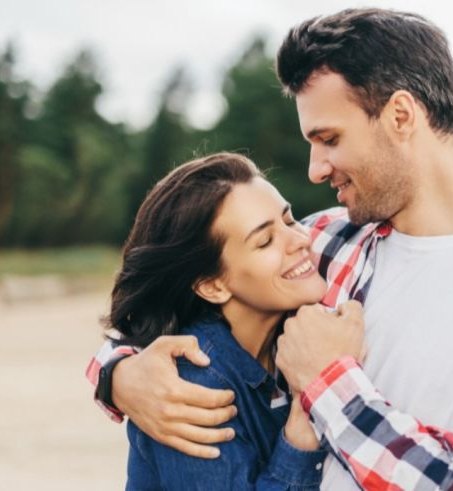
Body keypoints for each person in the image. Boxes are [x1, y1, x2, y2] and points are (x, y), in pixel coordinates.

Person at [87, 8, 453, 490]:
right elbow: (186, 299)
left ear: (400, 115)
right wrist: (120, 374)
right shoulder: (328, 241)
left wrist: (329, 384)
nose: (315, 168)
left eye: (329, 138)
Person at [95, 152, 363, 489]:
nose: (301, 240)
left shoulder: (294, 339)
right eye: (265, 241)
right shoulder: (192, 385)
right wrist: (306, 411)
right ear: (212, 285)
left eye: (290, 220)